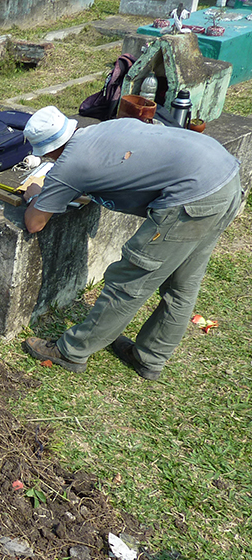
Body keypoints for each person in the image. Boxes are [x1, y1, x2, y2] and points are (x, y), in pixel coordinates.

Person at [19, 106, 242, 380]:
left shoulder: (69, 164)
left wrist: (35, 196)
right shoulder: (105, 128)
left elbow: (34, 223)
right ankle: (149, 358)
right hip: (224, 177)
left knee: (128, 282)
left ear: (49, 151)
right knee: (182, 283)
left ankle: (71, 351)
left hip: (191, 198)